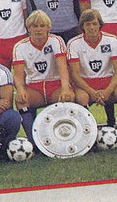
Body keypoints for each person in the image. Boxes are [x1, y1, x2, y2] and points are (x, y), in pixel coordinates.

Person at [67, 8, 117, 145]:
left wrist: (108, 90)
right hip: (85, 83)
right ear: (82, 27)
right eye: (88, 25)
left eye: (94, 24)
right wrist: (92, 92)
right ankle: (87, 138)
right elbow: (74, 74)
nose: (91, 27)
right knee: (82, 98)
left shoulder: (112, 40)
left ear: (100, 24)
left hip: (109, 80)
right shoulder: (74, 43)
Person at [11, 10, 74, 146]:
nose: (38, 29)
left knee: (68, 97)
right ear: (28, 29)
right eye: (34, 26)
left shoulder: (56, 41)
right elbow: (18, 75)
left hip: (54, 84)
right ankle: (34, 143)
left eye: (42, 26)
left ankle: (65, 136)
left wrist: (65, 88)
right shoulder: (20, 46)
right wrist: (21, 90)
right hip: (35, 87)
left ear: (48, 27)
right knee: (21, 100)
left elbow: (63, 67)